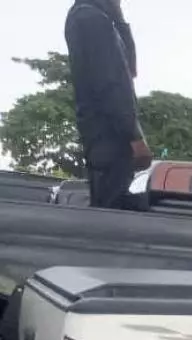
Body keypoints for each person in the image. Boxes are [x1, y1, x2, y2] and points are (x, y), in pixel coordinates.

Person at [64, 0, 152, 209]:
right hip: (108, 137)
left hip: (106, 137)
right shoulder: (91, 18)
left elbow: (130, 69)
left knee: (111, 209)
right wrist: (134, 136)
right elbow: (112, 84)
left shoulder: (94, 18)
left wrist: (119, 19)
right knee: (112, 214)